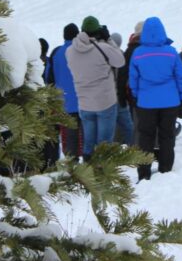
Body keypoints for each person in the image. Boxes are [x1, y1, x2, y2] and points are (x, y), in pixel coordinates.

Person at [129, 17, 182, 181]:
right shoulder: (171, 52)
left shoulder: (138, 53)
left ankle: (144, 172)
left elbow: (133, 79)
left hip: (146, 102)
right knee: (167, 136)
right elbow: (180, 78)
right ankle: (165, 169)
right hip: (170, 101)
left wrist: (135, 95)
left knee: (145, 137)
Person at [66, 16, 126, 161]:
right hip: (105, 102)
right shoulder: (103, 48)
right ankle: (103, 174)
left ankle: (89, 173)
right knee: (104, 144)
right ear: (98, 31)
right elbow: (120, 61)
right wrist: (109, 40)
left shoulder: (69, 51)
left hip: (85, 103)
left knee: (89, 143)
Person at [45, 24, 82, 158]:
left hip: (64, 102)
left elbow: (49, 78)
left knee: (70, 136)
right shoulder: (82, 51)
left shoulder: (56, 53)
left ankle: (72, 165)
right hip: (84, 100)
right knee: (87, 135)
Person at [111, 31, 136, 146]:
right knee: (128, 125)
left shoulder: (102, 53)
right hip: (119, 95)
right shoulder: (121, 55)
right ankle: (132, 149)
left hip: (106, 96)